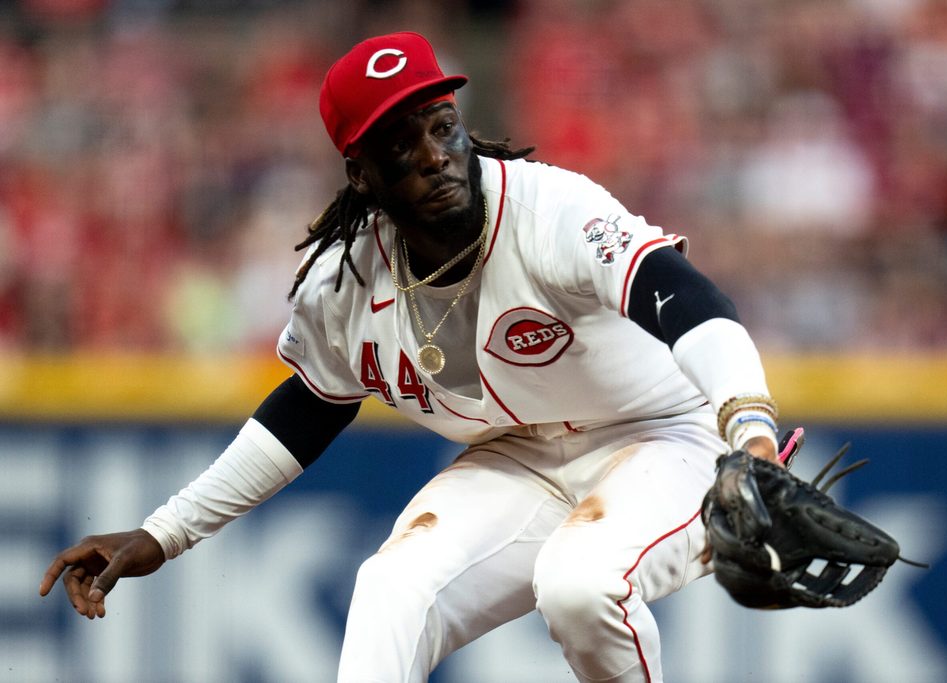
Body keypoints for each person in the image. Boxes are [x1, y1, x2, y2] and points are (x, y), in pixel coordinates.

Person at [40, 31, 786, 683]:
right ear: (361, 173)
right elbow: (303, 413)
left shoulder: (548, 210)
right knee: (390, 589)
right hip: (518, 456)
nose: (435, 156)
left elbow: (687, 299)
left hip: (663, 435)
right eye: (402, 143)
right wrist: (163, 533)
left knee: (579, 583)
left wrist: (750, 431)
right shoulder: (348, 280)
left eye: (443, 126)